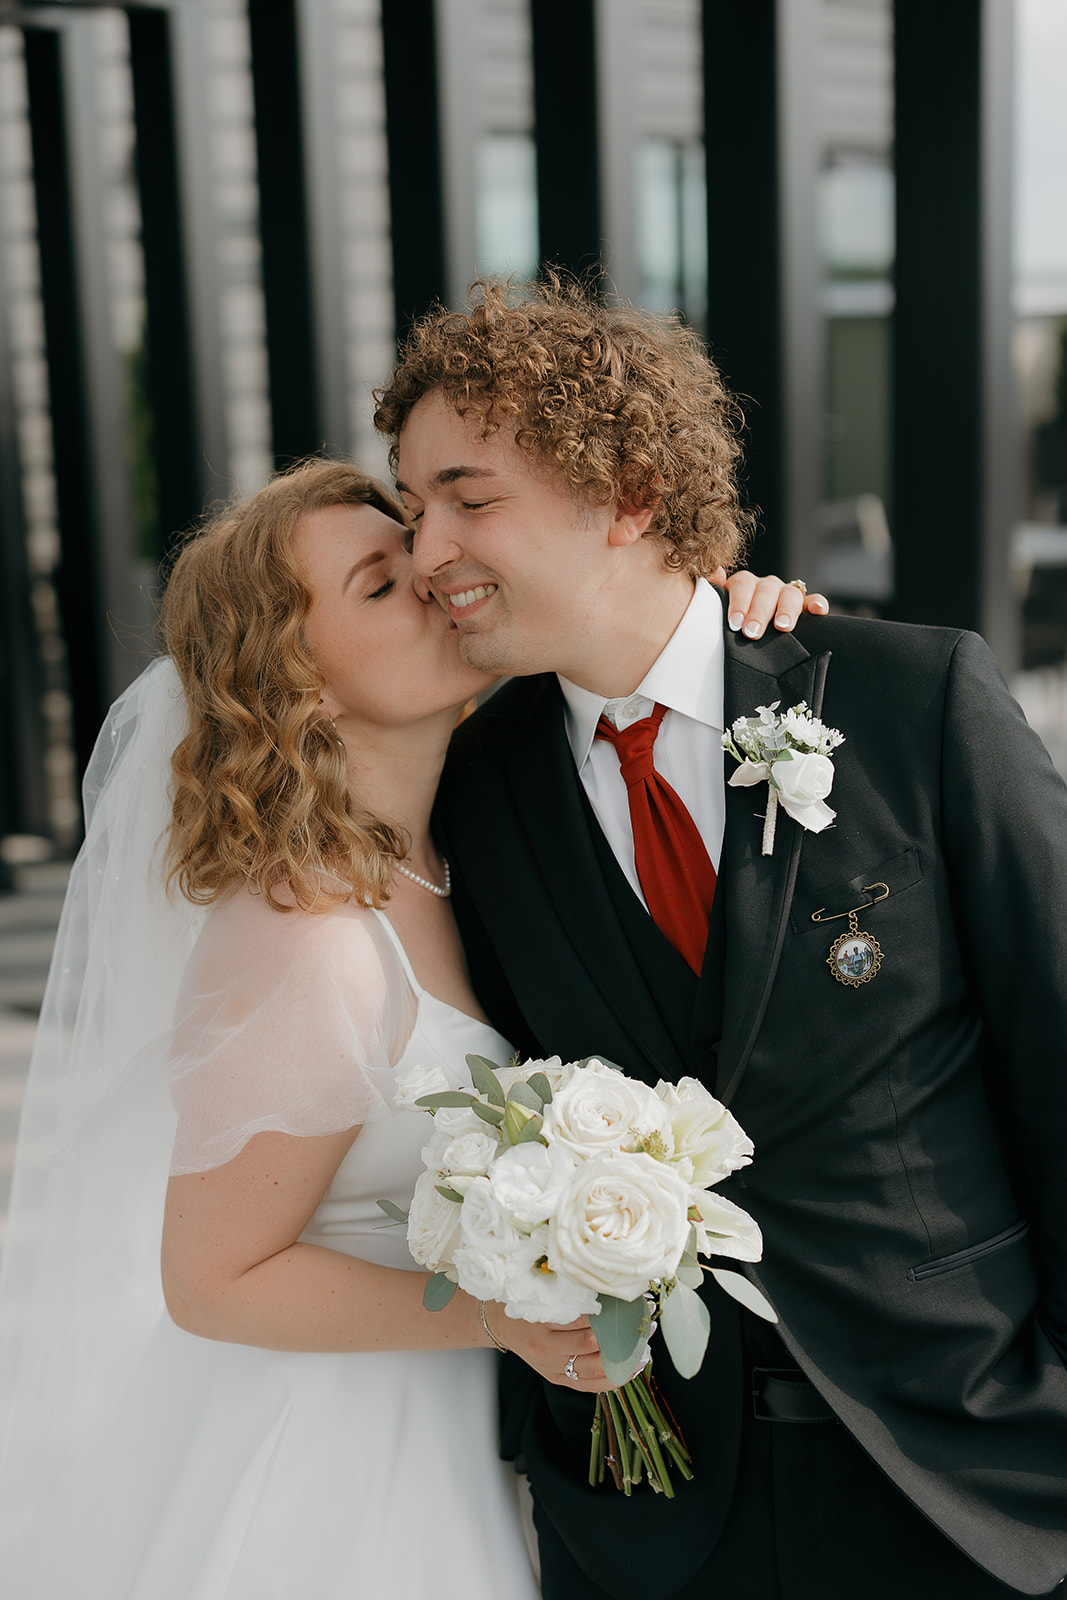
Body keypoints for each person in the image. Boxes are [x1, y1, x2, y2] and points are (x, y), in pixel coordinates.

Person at [0, 456, 816, 1598]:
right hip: (334, 1468)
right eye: (380, 585)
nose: (437, 579)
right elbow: (212, 1277)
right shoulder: (308, 941)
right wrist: (504, 1313)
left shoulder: (469, 851)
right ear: (300, 679)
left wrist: (729, 619)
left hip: (474, 1434)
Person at [373, 276, 1067, 1600]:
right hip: (644, 1507)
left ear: (625, 490)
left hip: (968, 1475)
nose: (425, 551)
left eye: (467, 496)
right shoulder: (464, 790)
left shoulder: (903, 699)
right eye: (411, 511)